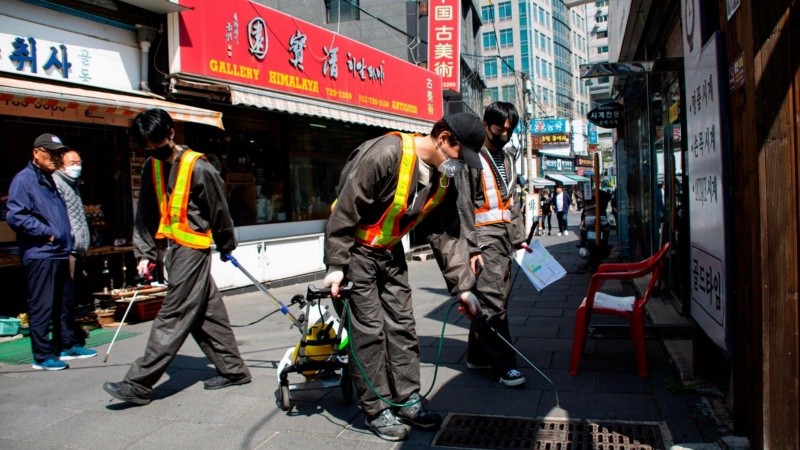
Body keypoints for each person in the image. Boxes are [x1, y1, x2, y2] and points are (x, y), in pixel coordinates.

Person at [323, 112, 484, 441]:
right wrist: (336, 265)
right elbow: (345, 210)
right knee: (368, 331)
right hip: (355, 251)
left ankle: (407, 399)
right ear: (442, 138)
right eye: (458, 154)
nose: (459, 164)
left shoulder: (442, 177)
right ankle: (376, 408)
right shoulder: (387, 153)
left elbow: (446, 234)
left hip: (389, 252)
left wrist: (463, 289)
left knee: (402, 326)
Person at [103, 108, 250, 406]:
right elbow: (145, 213)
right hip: (173, 249)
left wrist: (226, 244)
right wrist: (144, 254)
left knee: (173, 313)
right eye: (147, 146)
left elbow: (219, 210)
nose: (153, 151)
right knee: (207, 313)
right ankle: (234, 370)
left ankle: (139, 383)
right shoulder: (151, 167)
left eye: (157, 144)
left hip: (192, 250)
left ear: (171, 134)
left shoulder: (199, 167)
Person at [6, 134, 97, 371]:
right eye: (51, 153)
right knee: (42, 305)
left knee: (64, 302)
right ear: (36, 152)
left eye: (58, 154)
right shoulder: (24, 180)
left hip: (59, 251)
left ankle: (66, 344)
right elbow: (16, 215)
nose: (56, 158)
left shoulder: (50, 180)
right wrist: (47, 233)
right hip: (40, 252)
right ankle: (42, 355)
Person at [463, 102, 529, 388]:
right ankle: (505, 366)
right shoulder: (471, 157)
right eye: (500, 128)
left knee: (494, 299)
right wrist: (472, 247)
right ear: (485, 124)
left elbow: (511, 203)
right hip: (483, 239)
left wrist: (520, 237)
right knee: (492, 303)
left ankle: (478, 356)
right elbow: (463, 204)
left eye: (510, 129)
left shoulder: (508, 158)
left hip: (503, 240)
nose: (505, 133)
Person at [53, 150, 92, 317]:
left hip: (77, 247)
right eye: (72, 163)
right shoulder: (57, 182)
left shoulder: (73, 184)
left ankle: (70, 330)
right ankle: (65, 335)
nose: (77, 166)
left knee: (73, 292)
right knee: (65, 293)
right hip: (68, 247)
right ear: (62, 165)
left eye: (79, 163)